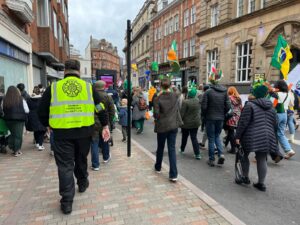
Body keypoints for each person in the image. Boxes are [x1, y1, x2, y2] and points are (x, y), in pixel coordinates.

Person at [38, 59, 110, 215]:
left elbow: (41, 110)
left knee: (65, 167)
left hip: (62, 134)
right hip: (84, 133)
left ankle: (67, 202)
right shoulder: (88, 88)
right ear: (78, 70)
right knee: (81, 158)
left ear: (65, 71)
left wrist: (48, 125)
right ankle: (82, 182)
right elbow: (100, 107)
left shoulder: (54, 88)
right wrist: (105, 125)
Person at [235, 82, 278, 192]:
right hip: (267, 136)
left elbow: (243, 122)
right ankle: (261, 183)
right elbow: (275, 123)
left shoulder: (250, 105)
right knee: (262, 158)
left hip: (250, 136)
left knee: (244, 155)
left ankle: (245, 176)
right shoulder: (271, 107)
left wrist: (238, 136)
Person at [201, 71, 231, 167]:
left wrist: (205, 116)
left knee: (211, 138)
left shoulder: (208, 92)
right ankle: (220, 154)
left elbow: (204, 107)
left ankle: (211, 159)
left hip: (210, 118)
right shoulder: (225, 91)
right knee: (217, 136)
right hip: (220, 117)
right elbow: (228, 106)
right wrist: (223, 113)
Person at [153, 77, 181, 182]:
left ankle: (158, 167)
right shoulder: (175, 95)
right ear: (170, 85)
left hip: (162, 126)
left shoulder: (157, 97)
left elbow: (156, 115)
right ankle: (173, 174)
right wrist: (172, 88)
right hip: (173, 125)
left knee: (160, 147)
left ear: (160, 86)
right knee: (172, 149)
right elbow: (178, 91)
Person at [269, 80, 295, 159]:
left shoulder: (276, 94)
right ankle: (289, 150)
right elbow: (292, 104)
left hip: (276, 114)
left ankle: (275, 153)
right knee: (281, 133)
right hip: (285, 114)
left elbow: (270, 104)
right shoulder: (289, 94)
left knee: (271, 133)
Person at [2, 86, 29, 156]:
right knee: (18, 136)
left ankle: (12, 147)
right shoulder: (21, 99)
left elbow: (2, 110)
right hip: (19, 120)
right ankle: (17, 150)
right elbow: (27, 110)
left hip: (8, 120)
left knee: (13, 134)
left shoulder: (4, 99)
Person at [94, 80, 115, 162]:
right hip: (105, 121)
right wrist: (109, 120)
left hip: (94, 121)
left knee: (94, 140)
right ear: (104, 87)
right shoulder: (107, 96)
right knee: (105, 138)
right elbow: (112, 110)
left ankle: (95, 162)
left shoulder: (91, 96)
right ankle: (106, 157)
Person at [179, 87, 201, 159]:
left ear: (189, 94)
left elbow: (182, 113)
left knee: (184, 137)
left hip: (186, 123)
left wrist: (179, 121)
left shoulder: (185, 102)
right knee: (194, 137)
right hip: (195, 122)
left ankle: (182, 149)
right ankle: (197, 154)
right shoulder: (198, 101)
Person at [224, 87, 243, 154]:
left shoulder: (229, 98)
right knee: (231, 131)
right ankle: (231, 145)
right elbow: (241, 108)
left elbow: (227, 107)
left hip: (231, 116)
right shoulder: (239, 98)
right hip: (238, 116)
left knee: (231, 132)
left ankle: (233, 149)